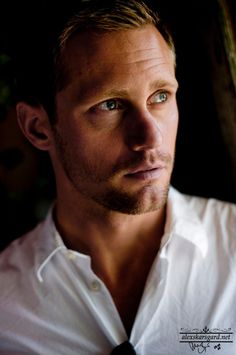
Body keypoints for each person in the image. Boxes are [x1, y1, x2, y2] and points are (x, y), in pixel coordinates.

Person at [0, 1, 236, 354]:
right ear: (38, 128)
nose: (150, 138)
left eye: (160, 97)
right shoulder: (6, 307)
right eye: (110, 105)